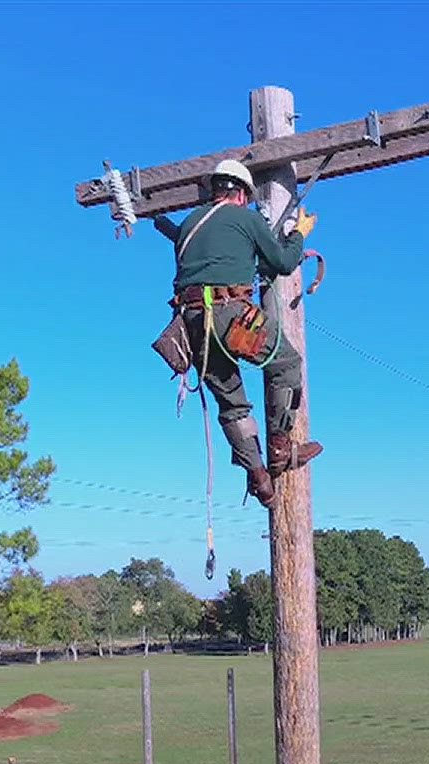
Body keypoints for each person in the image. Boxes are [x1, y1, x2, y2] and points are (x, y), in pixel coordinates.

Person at [149, 159, 323, 508]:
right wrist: (299, 232)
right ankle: (278, 448)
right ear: (242, 193)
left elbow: (228, 263)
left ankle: (260, 480)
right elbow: (283, 263)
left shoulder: (188, 225)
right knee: (286, 363)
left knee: (231, 405)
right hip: (232, 316)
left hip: (193, 324)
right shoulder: (246, 218)